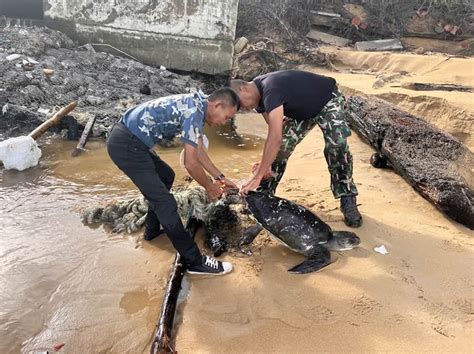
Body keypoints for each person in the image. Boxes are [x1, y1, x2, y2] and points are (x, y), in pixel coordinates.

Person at [107, 88, 240, 275]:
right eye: (226, 117)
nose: (224, 122)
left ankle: (152, 232)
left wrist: (220, 178)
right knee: (165, 202)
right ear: (217, 105)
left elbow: (199, 152)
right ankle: (195, 262)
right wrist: (209, 187)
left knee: (166, 176)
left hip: (130, 139)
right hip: (127, 144)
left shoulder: (197, 105)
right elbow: (191, 163)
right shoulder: (195, 112)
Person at [231, 70, 362, 227]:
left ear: (243, 89)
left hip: (328, 100)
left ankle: (347, 196)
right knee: (281, 149)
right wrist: (265, 165)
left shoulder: (270, 90)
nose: (242, 110)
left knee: (337, 144)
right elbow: (274, 130)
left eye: (240, 105)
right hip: (302, 112)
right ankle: (264, 195)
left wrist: (258, 175)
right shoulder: (257, 95)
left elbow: (275, 137)